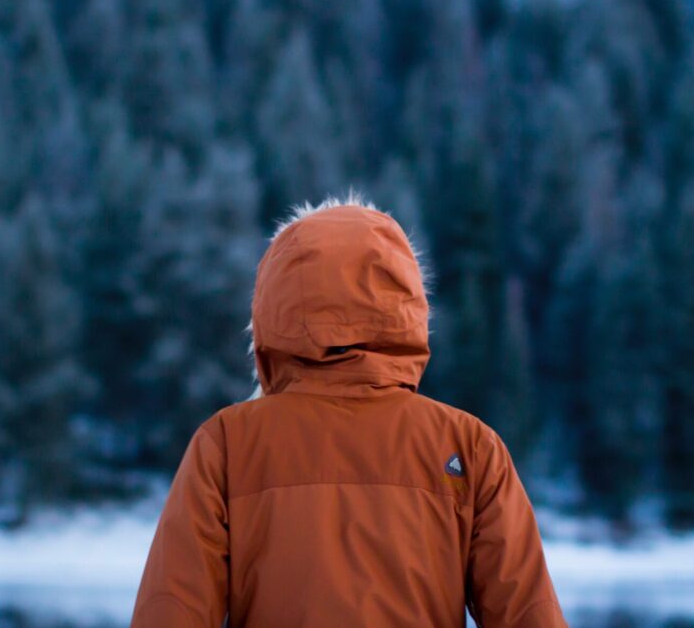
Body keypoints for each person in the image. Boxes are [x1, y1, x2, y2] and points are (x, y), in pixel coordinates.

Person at [131, 195, 567, 627]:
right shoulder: (468, 446)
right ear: (407, 305)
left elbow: (170, 611)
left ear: (273, 307)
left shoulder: (227, 443)